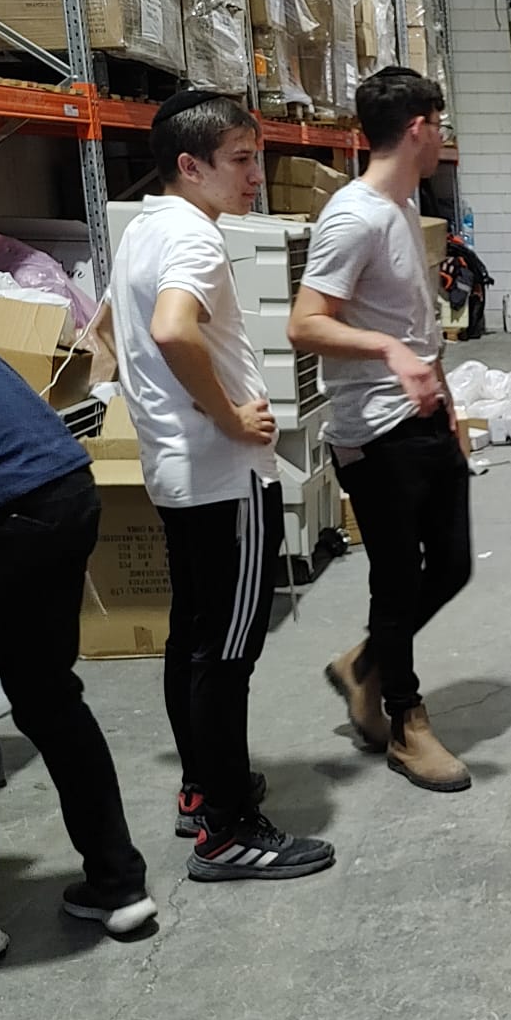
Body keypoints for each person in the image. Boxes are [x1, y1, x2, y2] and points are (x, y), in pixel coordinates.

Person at [110, 89, 335, 883]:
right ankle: (228, 830)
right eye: (241, 161)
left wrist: (161, 411)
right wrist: (234, 418)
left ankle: (204, 790)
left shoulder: (143, 232)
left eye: (258, 157)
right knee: (228, 653)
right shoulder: (195, 243)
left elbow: (108, 331)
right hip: (222, 475)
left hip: (176, 470)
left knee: (195, 638)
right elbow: (172, 330)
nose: (257, 177)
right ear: (189, 164)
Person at [287, 66, 473, 794]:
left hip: (424, 419)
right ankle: (405, 721)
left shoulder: (401, 207)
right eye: (441, 123)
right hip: (375, 431)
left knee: (452, 565)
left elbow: (411, 324)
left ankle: (363, 663)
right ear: (420, 127)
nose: (444, 138)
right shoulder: (354, 215)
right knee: (395, 584)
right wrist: (390, 352)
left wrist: (448, 402)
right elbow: (306, 324)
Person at [0, 354, 155, 956]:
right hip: (64, 490)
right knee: (48, 699)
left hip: (8, 506)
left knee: (45, 699)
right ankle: (119, 885)